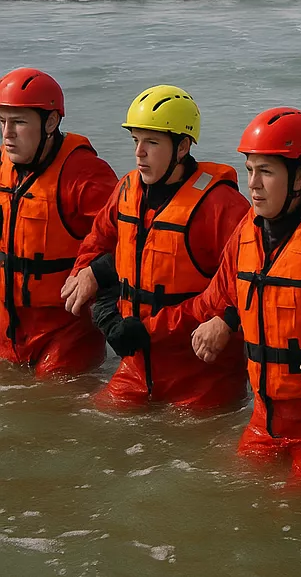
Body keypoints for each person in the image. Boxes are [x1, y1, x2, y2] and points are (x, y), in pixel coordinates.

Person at [150, 109, 301, 482]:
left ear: (300, 177)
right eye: (250, 170)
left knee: (293, 509)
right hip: (264, 419)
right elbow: (222, 295)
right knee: (229, 492)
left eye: (266, 172)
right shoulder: (248, 229)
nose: (253, 185)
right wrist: (223, 320)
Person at [63, 85, 249, 411]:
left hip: (202, 375)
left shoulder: (222, 206)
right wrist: (96, 290)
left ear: (182, 147)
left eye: (151, 142)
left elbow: (245, 285)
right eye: (136, 140)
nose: (139, 153)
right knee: (90, 420)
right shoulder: (126, 190)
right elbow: (97, 242)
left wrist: (153, 330)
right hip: (136, 365)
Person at [0, 68, 118, 378]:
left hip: (66, 333)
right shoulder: (3, 165)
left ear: (51, 122)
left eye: (19, 122)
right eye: (2, 122)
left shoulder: (86, 174)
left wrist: (96, 272)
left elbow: (134, 238)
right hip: (7, 325)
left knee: (56, 398)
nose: (7, 134)